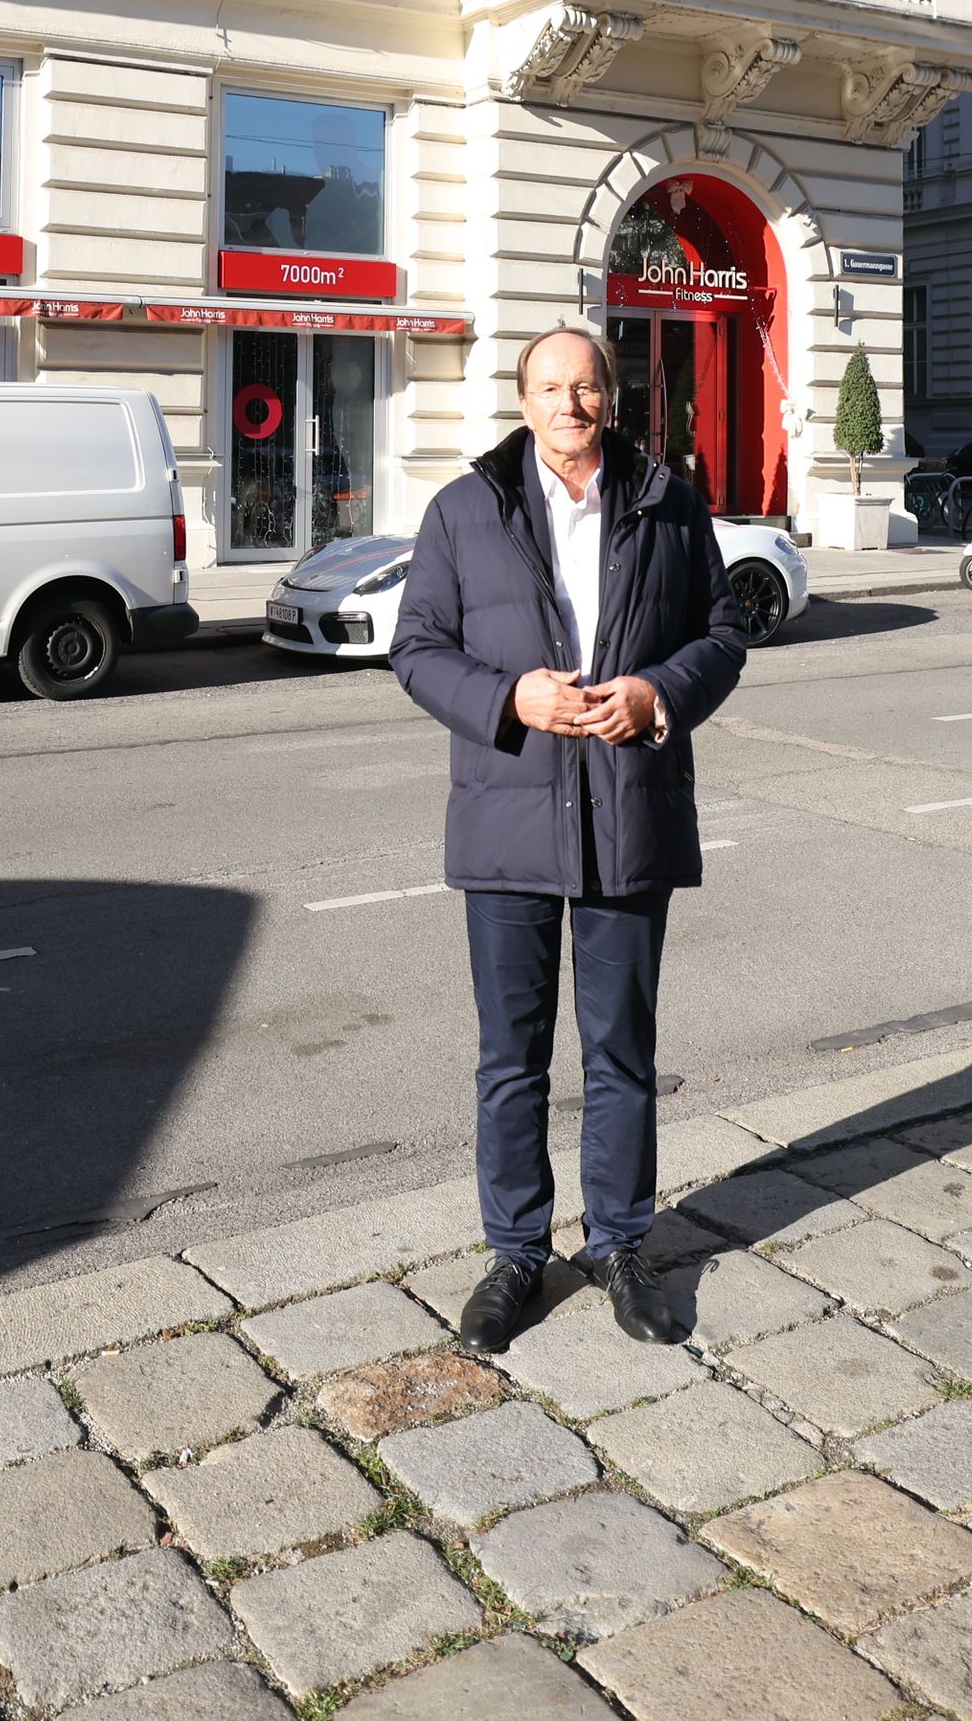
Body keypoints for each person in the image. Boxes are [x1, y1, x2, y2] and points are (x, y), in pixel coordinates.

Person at [392, 325, 756, 1349]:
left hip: (628, 811)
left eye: (586, 385)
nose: (570, 403)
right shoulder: (465, 509)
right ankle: (516, 1251)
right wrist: (508, 697)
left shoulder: (668, 502)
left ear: (611, 396)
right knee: (511, 1056)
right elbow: (416, 647)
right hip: (508, 812)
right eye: (551, 387)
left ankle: (620, 1244)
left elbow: (723, 633)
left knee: (620, 1051)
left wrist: (656, 694)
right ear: (523, 401)